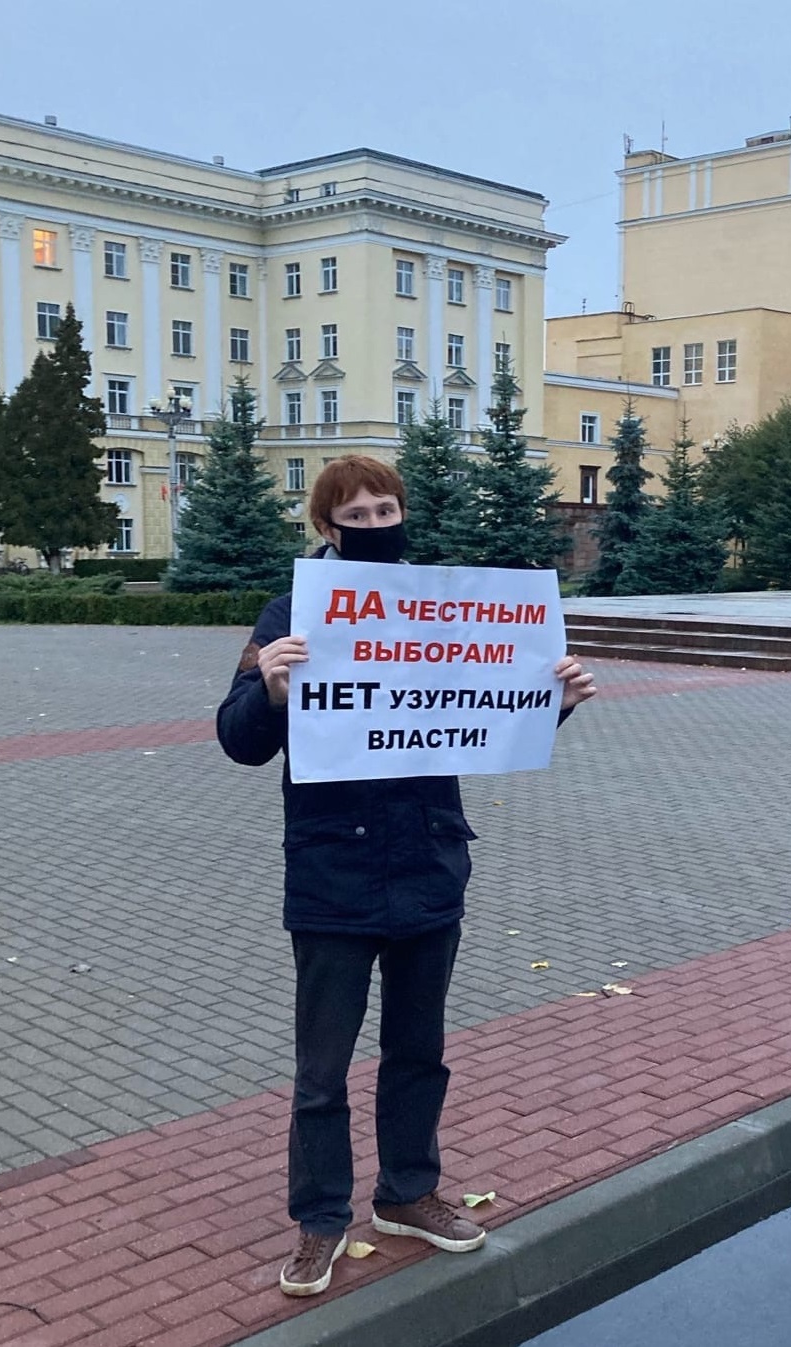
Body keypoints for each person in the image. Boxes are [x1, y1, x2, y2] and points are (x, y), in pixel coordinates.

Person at [216, 454, 596, 1297]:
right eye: (358, 515)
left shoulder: (447, 609)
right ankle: (319, 1221)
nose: (378, 525)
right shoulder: (290, 616)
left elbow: (487, 715)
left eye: (388, 510)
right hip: (331, 872)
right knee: (322, 1069)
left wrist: (555, 701)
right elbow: (237, 738)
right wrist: (270, 688)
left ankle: (408, 1193)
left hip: (429, 860)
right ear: (326, 526)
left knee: (418, 1050)